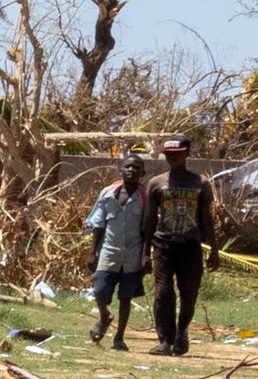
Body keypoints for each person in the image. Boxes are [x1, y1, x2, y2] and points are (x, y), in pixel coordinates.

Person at [140, 136, 217, 356]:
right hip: (163, 245)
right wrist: (145, 252)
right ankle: (165, 339)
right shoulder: (156, 183)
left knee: (189, 293)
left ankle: (182, 329)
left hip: (190, 246)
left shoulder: (200, 183)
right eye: (169, 154)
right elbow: (150, 220)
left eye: (177, 153)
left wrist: (214, 250)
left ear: (187, 154)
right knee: (163, 292)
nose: (173, 157)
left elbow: (207, 219)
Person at [83, 151, 149, 349]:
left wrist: (146, 256)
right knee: (99, 288)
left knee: (125, 297)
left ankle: (119, 337)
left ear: (142, 173)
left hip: (133, 253)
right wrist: (92, 252)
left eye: (136, 168)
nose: (131, 170)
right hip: (109, 250)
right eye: (128, 166)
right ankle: (105, 315)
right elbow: (98, 223)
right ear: (120, 169)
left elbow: (147, 229)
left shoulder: (145, 198)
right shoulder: (108, 193)